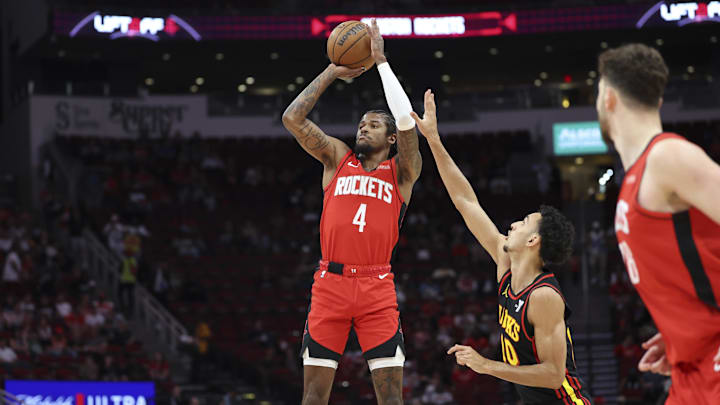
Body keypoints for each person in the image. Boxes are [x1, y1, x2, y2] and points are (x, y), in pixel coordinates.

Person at [410, 90, 592, 404]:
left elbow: (554, 375)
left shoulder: (544, 296)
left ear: (534, 241)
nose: (513, 225)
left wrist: (486, 366)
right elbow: (465, 202)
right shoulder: (505, 265)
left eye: (523, 223)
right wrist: (433, 139)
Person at [281, 19, 421, 405]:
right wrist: (332, 70)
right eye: (361, 123)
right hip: (330, 285)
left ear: (391, 139)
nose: (364, 128)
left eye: (374, 125)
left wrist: (381, 64)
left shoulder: (402, 173)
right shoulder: (337, 159)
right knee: (312, 396)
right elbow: (292, 119)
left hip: (377, 287)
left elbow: (408, 121)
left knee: (391, 398)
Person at [596, 43, 720, 404]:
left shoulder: (667, 156)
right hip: (689, 371)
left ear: (609, 99)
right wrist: (682, 333)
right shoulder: (638, 177)